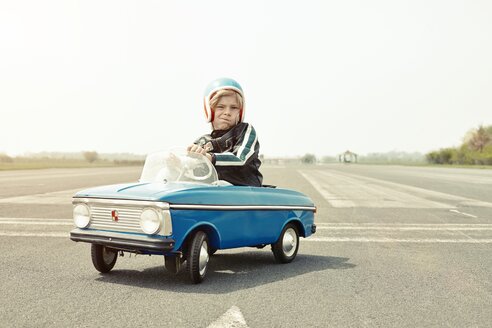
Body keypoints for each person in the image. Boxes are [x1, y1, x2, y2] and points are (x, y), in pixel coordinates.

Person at [187, 78, 263, 187]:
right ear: (209, 110)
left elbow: (241, 159)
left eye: (233, 108)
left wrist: (210, 158)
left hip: (246, 191)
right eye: (220, 107)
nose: (227, 112)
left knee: (218, 185)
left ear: (240, 112)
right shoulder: (202, 141)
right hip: (216, 192)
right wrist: (179, 162)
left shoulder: (245, 130)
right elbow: (191, 170)